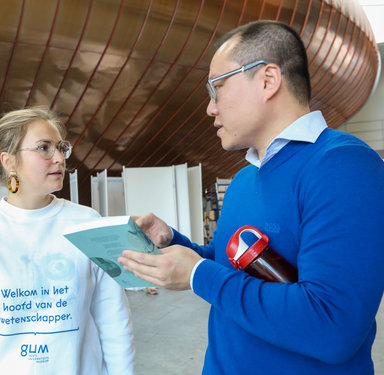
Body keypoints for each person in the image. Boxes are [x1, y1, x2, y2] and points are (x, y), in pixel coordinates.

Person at [118, 20, 384, 374]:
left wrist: (198, 274)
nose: (210, 108)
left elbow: (332, 327)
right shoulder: (245, 179)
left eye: (217, 87)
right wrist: (175, 243)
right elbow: (233, 263)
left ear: (268, 80)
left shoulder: (343, 167)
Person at [0, 107, 135, 375]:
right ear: (10, 161)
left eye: (61, 148)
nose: (59, 158)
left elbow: (114, 321)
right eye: (44, 148)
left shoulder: (88, 223)